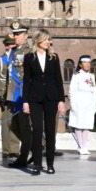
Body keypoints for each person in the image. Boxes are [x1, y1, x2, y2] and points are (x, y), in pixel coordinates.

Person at [14, 30, 66, 175]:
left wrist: (61, 100)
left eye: (49, 39)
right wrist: (25, 101)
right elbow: (26, 80)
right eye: (46, 39)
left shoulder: (53, 57)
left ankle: (50, 164)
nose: (48, 42)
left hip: (51, 98)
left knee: (50, 131)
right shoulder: (29, 58)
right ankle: (37, 163)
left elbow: (58, 79)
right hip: (35, 99)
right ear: (38, 40)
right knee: (37, 130)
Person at [0, 24, 29, 161]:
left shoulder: (28, 52)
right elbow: (1, 77)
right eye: (14, 35)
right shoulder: (10, 54)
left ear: (25, 36)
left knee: (22, 126)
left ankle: (22, 151)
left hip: (22, 95)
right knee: (11, 124)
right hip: (10, 94)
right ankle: (11, 151)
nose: (15, 38)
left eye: (18, 35)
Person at [67, 55, 96, 155]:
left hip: (89, 103)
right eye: (85, 62)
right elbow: (72, 90)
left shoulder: (91, 76)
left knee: (87, 125)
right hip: (79, 102)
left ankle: (84, 146)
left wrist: (94, 105)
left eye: (89, 62)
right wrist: (73, 104)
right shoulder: (76, 75)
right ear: (80, 64)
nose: (87, 64)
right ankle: (80, 146)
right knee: (79, 125)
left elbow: (94, 91)